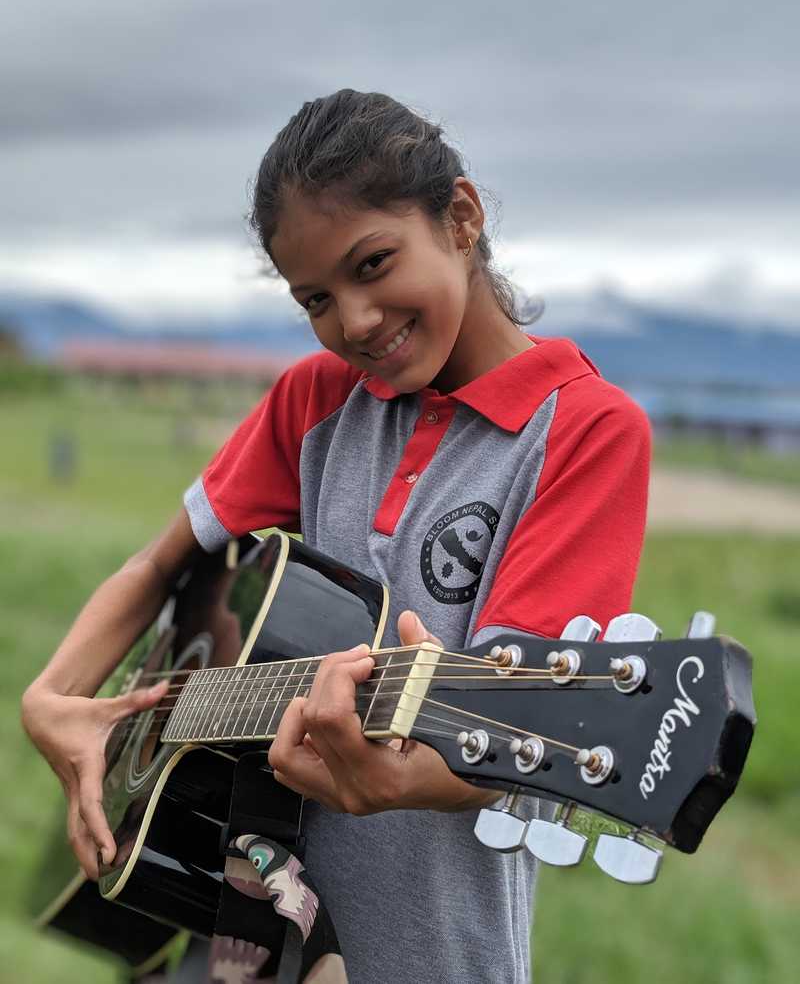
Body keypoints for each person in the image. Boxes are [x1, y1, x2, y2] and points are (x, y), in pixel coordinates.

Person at [22, 89, 651, 983]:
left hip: (426, 947)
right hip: (230, 928)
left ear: (461, 217)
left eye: (374, 263)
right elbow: (162, 564)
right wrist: (53, 698)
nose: (354, 321)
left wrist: (403, 777)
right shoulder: (315, 399)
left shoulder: (586, 431)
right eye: (316, 297)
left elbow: (519, 737)